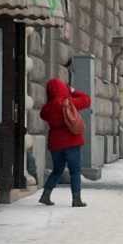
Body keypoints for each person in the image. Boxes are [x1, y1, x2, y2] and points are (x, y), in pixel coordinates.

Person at [39, 78, 91, 207]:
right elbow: (87, 99)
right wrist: (73, 92)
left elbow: (42, 115)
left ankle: (45, 195)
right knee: (75, 171)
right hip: (72, 141)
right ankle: (76, 198)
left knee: (57, 170)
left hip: (55, 143)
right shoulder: (69, 102)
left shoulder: (48, 107)